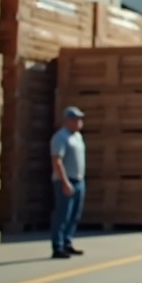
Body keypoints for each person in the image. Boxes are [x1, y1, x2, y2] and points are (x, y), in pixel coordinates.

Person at [49, 106, 86, 259]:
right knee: (63, 215)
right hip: (66, 181)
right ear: (67, 121)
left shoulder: (78, 137)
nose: (79, 122)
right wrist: (65, 182)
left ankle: (67, 242)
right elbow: (57, 161)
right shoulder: (60, 137)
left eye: (80, 119)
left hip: (79, 180)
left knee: (75, 215)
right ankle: (57, 247)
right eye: (75, 119)